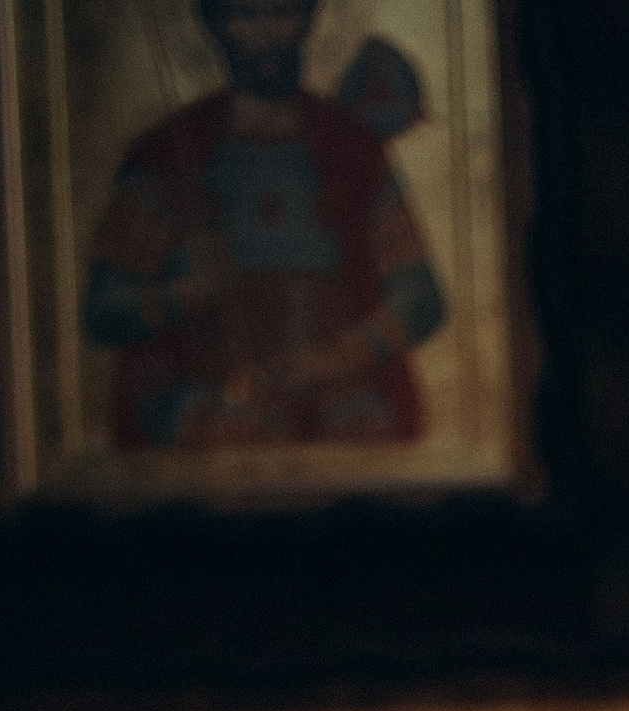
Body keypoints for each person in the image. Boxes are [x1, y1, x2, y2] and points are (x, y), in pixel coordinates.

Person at [82, 0, 445, 454]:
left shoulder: (353, 150)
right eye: (244, 14)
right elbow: (103, 311)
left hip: (335, 393)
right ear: (214, 23)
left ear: (309, 19)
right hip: (210, 394)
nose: (265, 33)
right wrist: (185, 294)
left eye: (282, 12)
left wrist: (335, 357)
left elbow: (421, 297)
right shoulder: (166, 154)